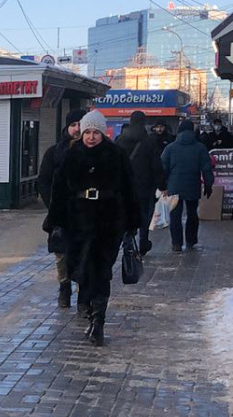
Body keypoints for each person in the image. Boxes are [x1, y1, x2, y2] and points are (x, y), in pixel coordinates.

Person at [47, 110, 140, 346]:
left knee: (101, 270)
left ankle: (99, 320)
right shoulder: (72, 155)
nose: (90, 137)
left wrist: (131, 221)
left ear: (103, 132)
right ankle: (88, 307)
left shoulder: (116, 155)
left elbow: (130, 188)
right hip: (77, 220)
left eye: (95, 132)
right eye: (87, 132)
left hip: (108, 220)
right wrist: (55, 221)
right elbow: (58, 190)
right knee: (79, 268)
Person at [38, 108, 85, 311]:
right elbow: (44, 181)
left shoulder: (95, 152)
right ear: (67, 127)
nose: (77, 129)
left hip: (85, 214)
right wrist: (53, 205)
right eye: (74, 125)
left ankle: (84, 294)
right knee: (61, 254)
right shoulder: (54, 152)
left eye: (81, 125)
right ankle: (64, 287)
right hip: (61, 214)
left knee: (85, 254)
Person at [116, 111, 167, 256]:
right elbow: (156, 166)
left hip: (125, 186)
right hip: (145, 186)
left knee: (126, 212)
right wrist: (162, 185)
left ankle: (128, 240)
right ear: (143, 122)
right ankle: (143, 243)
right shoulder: (149, 141)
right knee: (144, 215)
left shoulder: (120, 140)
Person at [161, 120, 215, 252]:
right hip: (193, 185)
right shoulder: (200, 148)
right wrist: (208, 185)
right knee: (192, 214)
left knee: (175, 216)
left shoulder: (170, 148)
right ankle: (191, 240)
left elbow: (163, 168)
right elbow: (206, 168)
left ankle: (176, 243)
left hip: (174, 186)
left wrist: (163, 185)